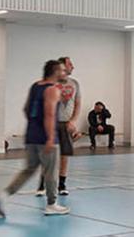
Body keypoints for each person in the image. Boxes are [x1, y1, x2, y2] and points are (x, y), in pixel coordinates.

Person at [0, 60, 69, 217]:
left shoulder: (35, 86)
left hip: (31, 136)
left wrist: (33, 126)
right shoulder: (52, 90)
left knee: (28, 169)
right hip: (45, 138)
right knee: (51, 172)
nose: (65, 73)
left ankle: (4, 195)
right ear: (55, 72)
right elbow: (49, 114)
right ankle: (51, 204)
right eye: (62, 70)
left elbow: (26, 109)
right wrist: (49, 137)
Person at [38, 56, 80, 196]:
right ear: (62, 66)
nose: (72, 67)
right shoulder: (51, 83)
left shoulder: (75, 84)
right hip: (51, 122)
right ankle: (42, 183)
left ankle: (61, 184)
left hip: (65, 123)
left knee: (64, 155)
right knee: (48, 154)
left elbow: (77, 104)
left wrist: (73, 121)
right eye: (70, 64)